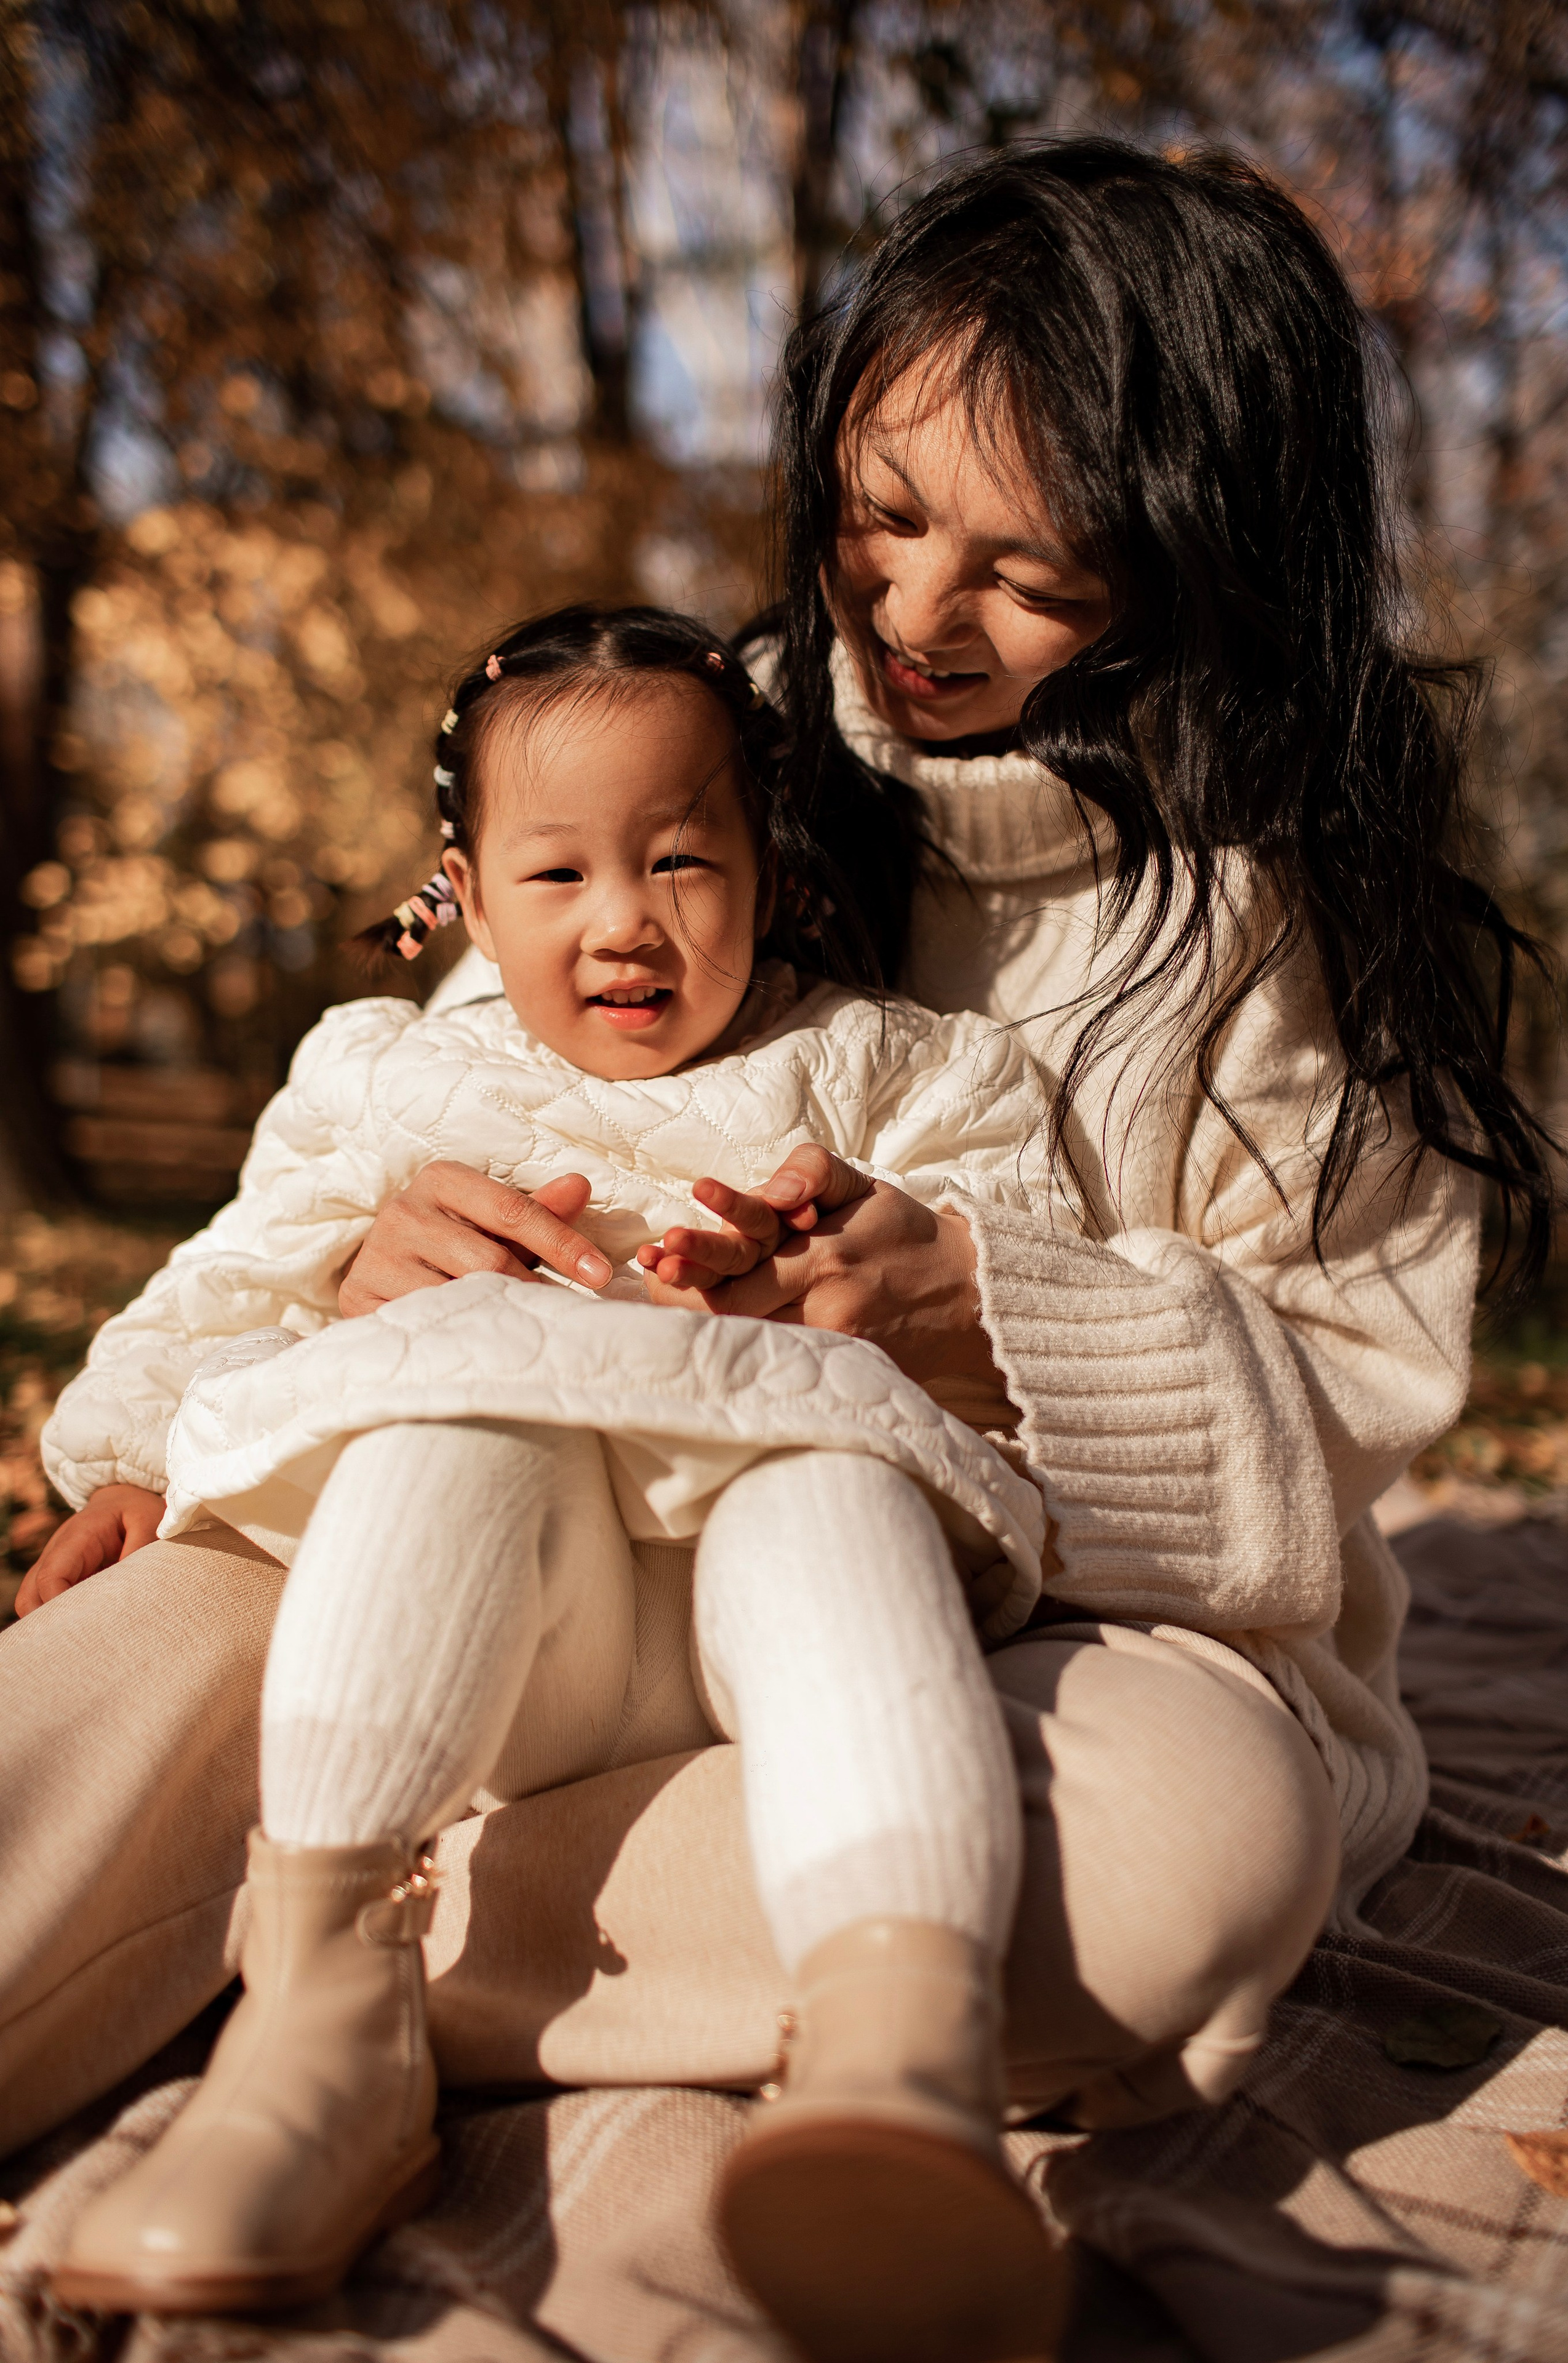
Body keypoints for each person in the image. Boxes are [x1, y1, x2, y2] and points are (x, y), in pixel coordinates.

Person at [0, 137, 1553, 2362]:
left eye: (1034, 571)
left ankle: (336, 1940)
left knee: (1181, 1856)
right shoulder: (683, 729)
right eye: (884, 514)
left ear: (1201, 564)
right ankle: (340, 1913)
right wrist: (366, 1267)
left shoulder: (1290, 920)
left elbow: (1342, 1438)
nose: (914, 619)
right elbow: (416, 1103)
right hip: (508, 1524)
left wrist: (991, 1325)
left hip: (1005, 1600)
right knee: (143, 1662)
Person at [41, 603, 1065, 2354]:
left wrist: (897, 1276)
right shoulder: (400, 1083)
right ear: (464, 889)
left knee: (826, 1462)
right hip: (500, 1641)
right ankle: (323, 2030)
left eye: (681, 859)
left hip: (766, 1638)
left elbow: (1013, 1274)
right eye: (557, 875)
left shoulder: (894, 1069)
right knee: (457, 1401)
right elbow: (224, 1283)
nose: (624, 925)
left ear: (764, 862)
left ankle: (897, 2050)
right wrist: (127, 1457)